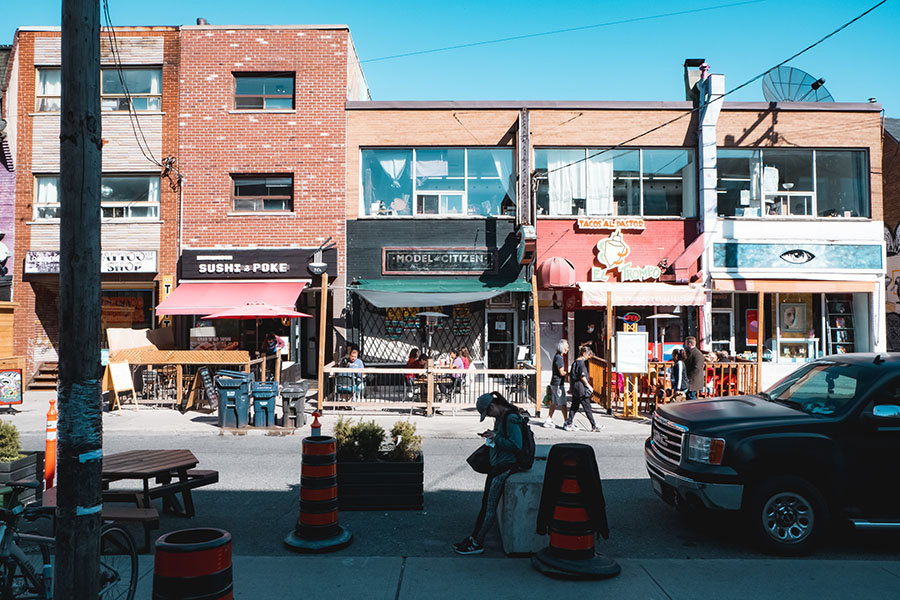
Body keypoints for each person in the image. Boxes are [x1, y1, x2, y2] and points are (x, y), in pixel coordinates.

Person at [453, 392, 523, 555]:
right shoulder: (503, 416)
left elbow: (516, 444)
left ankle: (476, 542)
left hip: (504, 466)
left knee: (488, 507)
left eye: (488, 413)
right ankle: (474, 539)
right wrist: (493, 435)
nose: (490, 416)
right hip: (498, 464)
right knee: (486, 505)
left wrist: (495, 437)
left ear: (492, 406)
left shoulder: (510, 418)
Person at [565, 346, 601, 432]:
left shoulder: (574, 362)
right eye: (588, 355)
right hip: (581, 389)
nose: (588, 357)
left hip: (575, 388)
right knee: (587, 408)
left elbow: (572, 375)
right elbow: (582, 376)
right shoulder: (581, 363)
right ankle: (594, 425)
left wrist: (571, 387)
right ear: (584, 354)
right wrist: (589, 386)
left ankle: (569, 423)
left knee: (574, 406)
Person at [542, 339, 569, 429]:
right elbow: (561, 372)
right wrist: (568, 373)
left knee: (554, 402)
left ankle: (549, 419)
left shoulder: (557, 356)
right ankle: (566, 421)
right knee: (563, 402)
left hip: (554, 382)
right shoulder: (559, 358)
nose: (568, 349)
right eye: (566, 347)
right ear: (563, 348)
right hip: (558, 383)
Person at [684, 336, 705, 401]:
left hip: (693, 381)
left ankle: (696, 410)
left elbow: (697, 368)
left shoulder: (697, 354)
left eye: (686, 343)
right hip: (690, 381)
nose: (685, 344)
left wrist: (688, 378)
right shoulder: (688, 352)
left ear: (689, 344)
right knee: (689, 397)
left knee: (691, 397)